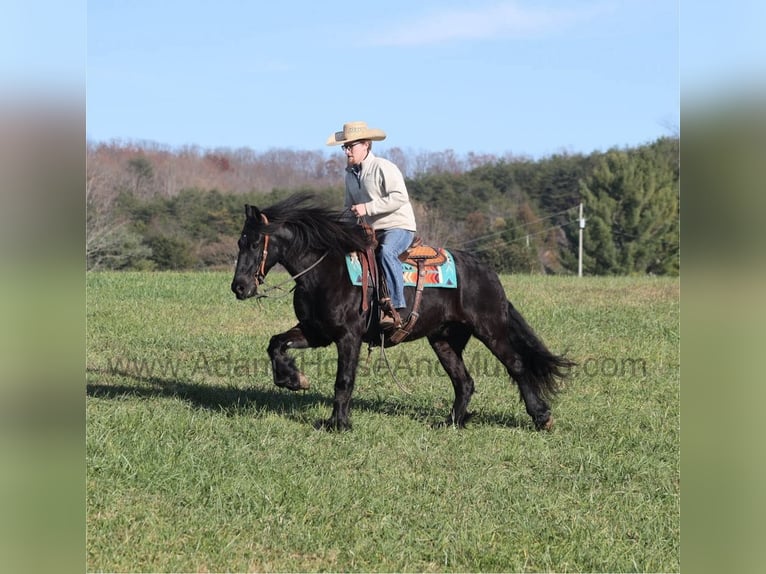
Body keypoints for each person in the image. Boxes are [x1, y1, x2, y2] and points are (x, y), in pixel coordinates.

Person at [326, 121, 417, 329]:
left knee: (386, 253)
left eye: (351, 146)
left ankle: (396, 306)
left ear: (366, 144)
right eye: (345, 147)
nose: (347, 151)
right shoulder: (349, 175)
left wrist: (367, 208)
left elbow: (400, 197)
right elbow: (349, 209)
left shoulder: (384, 167)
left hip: (398, 226)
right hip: (370, 231)